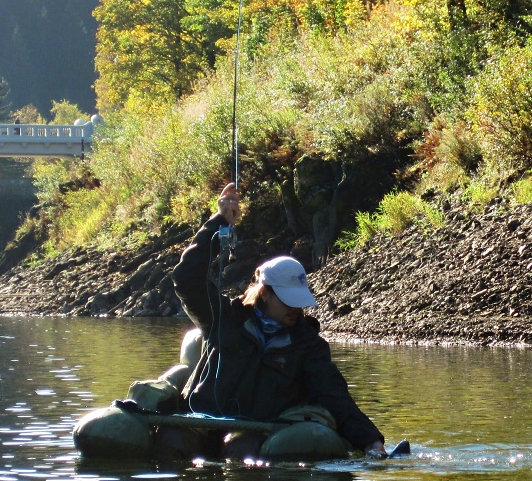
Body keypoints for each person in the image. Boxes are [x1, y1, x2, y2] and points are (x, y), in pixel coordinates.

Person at [163, 182, 387, 460]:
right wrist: (218, 222)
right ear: (265, 293)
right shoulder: (223, 319)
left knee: (241, 450)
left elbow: (335, 397)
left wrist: (370, 441)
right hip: (199, 419)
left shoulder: (308, 345)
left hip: (252, 434)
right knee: (171, 440)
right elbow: (186, 279)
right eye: (288, 299)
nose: (296, 308)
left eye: (299, 300)